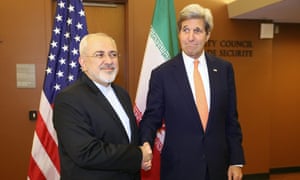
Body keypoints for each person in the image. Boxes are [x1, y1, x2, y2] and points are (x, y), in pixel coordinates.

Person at [139, 4, 245, 180]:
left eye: (197, 30)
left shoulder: (224, 69)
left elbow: (231, 119)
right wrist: (145, 143)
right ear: (179, 34)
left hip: (218, 167)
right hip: (178, 169)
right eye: (185, 30)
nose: (190, 37)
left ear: (207, 35)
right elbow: (151, 117)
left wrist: (236, 161)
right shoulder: (162, 74)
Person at [53, 33, 152, 180]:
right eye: (99, 55)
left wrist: (140, 157)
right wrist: (138, 155)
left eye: (113, 54)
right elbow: (86, 152)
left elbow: (127, 139)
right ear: (83, 62)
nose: (109, 61)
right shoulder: (68, 99)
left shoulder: (122, 94)